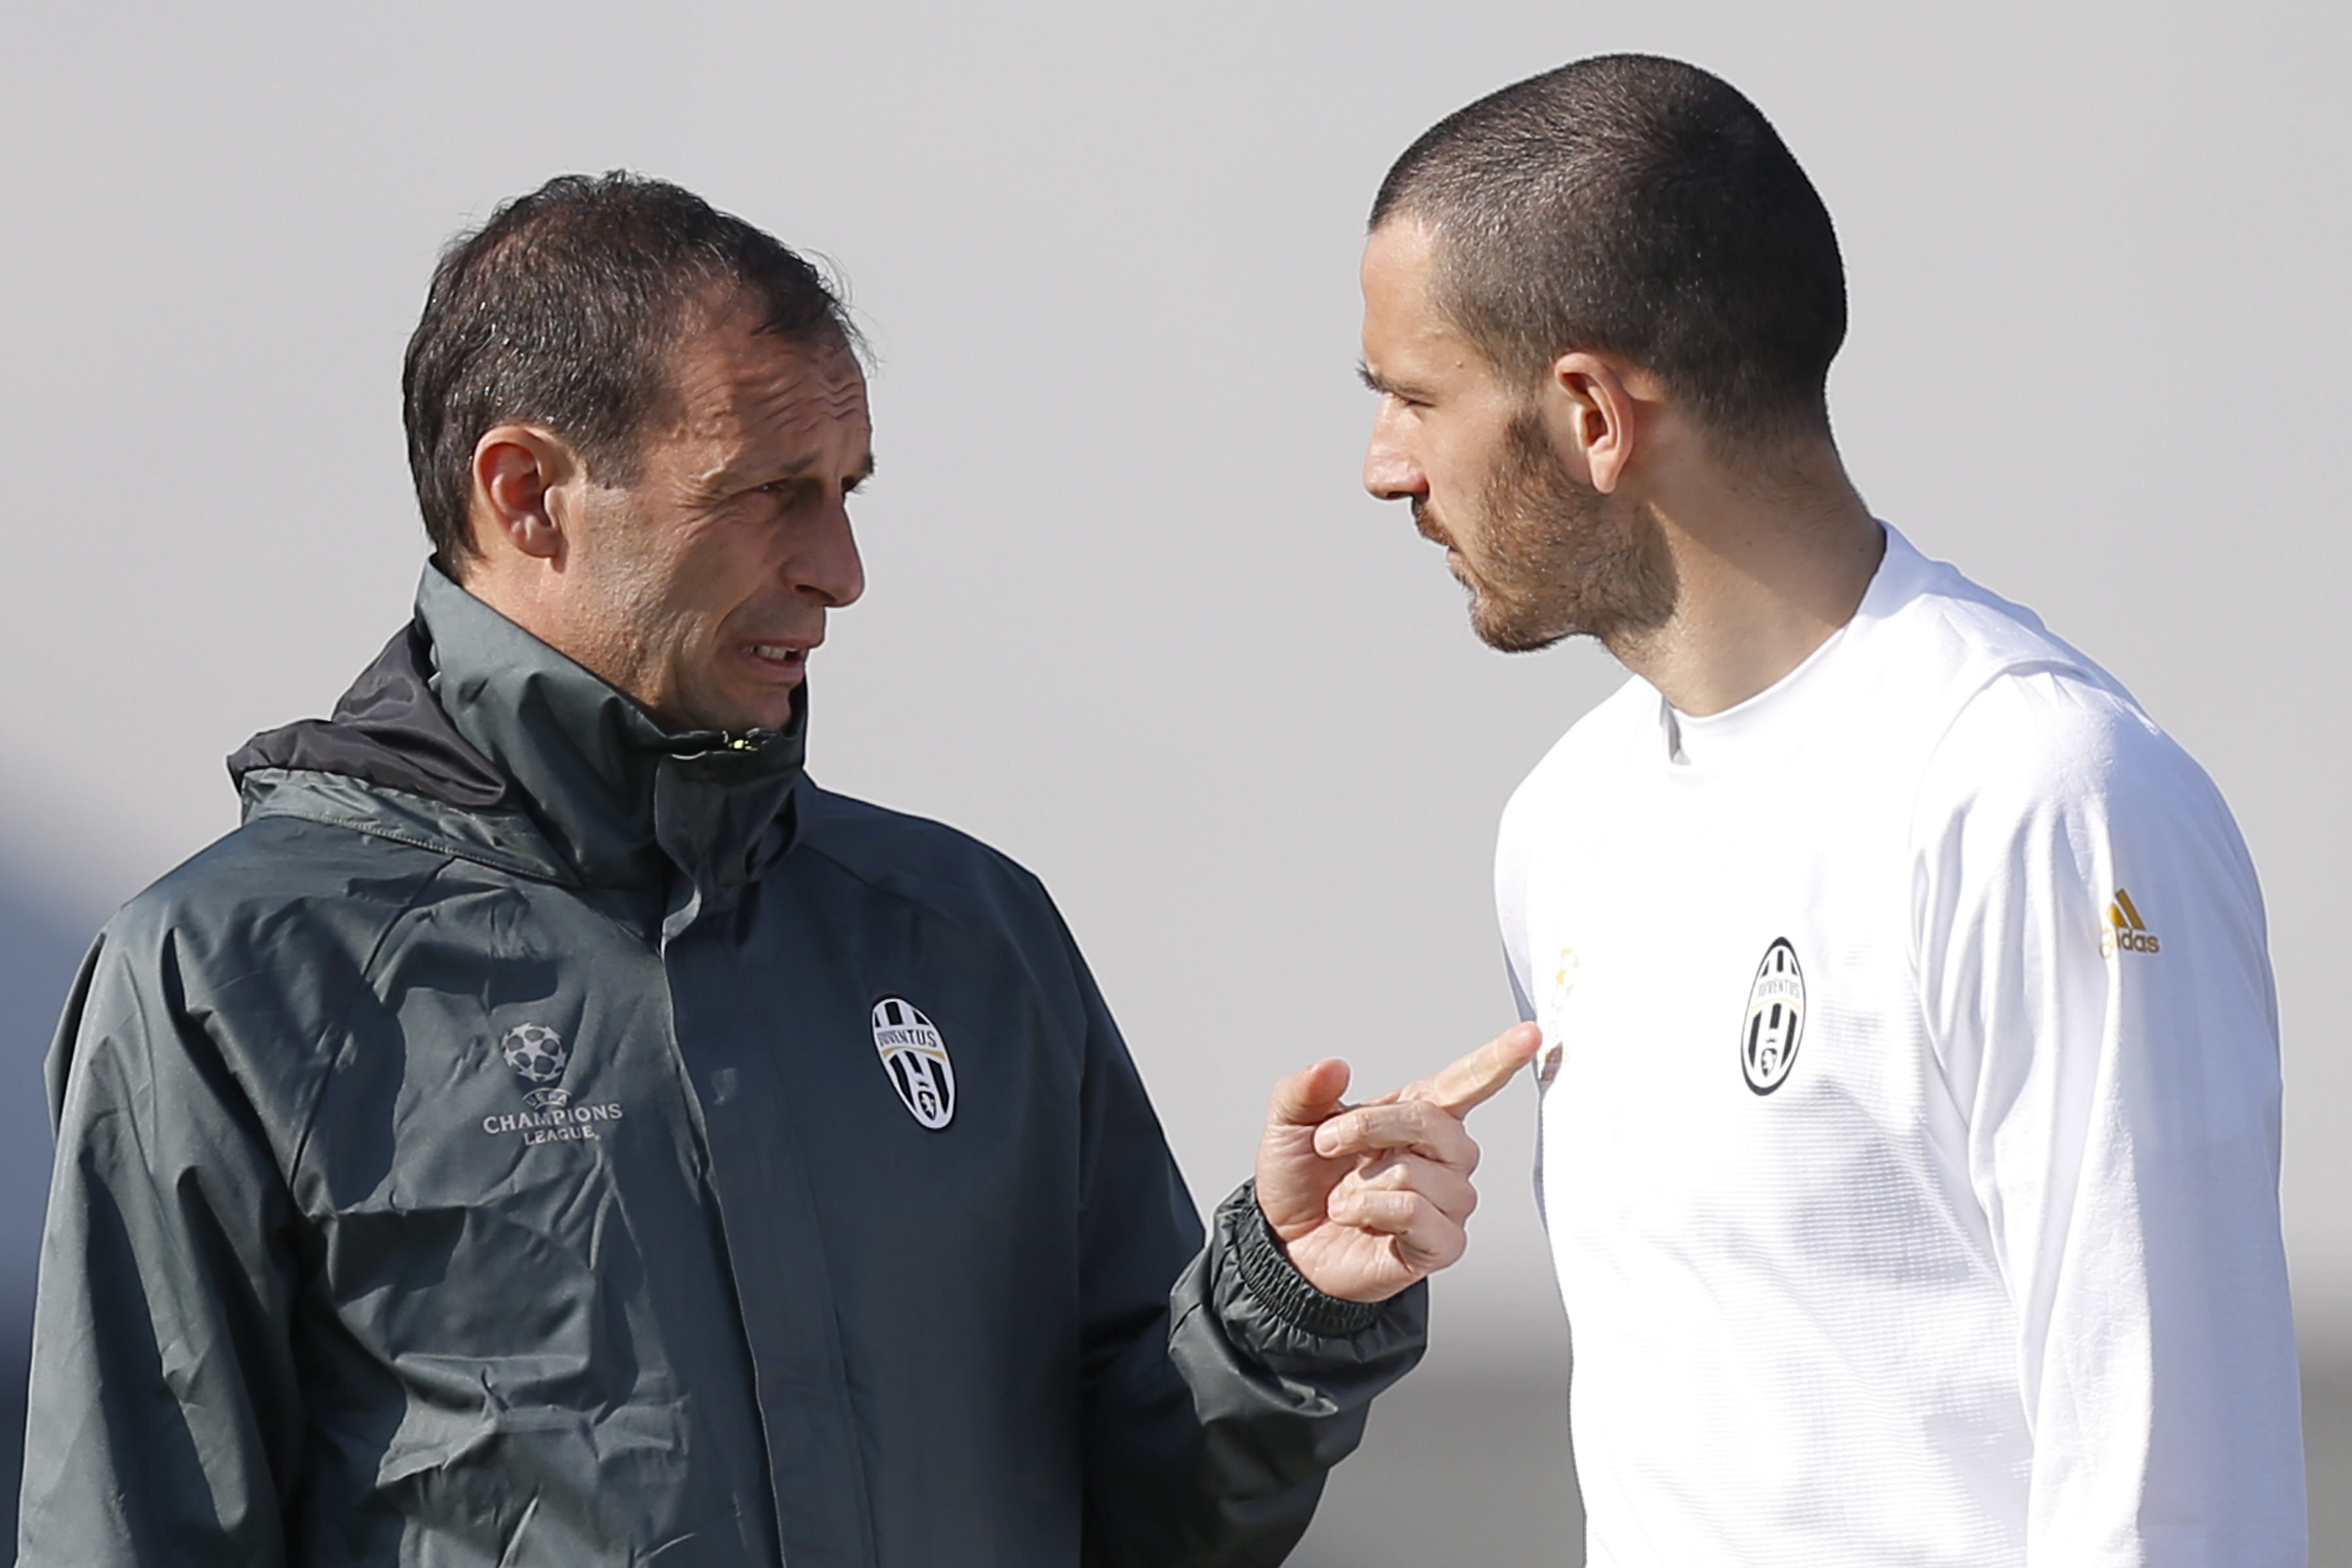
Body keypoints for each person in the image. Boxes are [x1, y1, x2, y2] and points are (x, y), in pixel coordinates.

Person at [19, 172, 1536, 1568]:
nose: (840, 569)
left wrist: (1276, 1308)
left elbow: (1141, 1518)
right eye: (768, 494)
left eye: (850, 489)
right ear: (526, 494)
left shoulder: (968, 936)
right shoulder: (231, 980)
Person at [1356, 54, 2305, 1567]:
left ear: (1591, 413)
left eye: (1414, 397)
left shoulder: (2038, 800)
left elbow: (2172, 1497)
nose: (1383, 469)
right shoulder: (1565, 825)